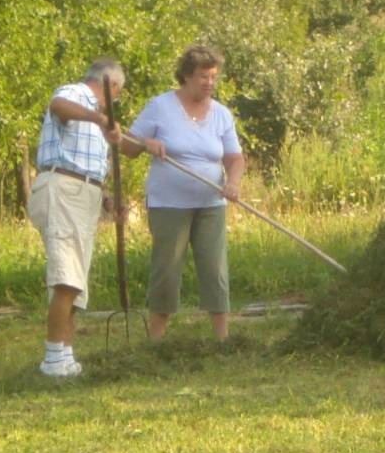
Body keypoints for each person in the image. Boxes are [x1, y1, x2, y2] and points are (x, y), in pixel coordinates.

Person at [121, 45, 245, 342]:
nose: (210, 83)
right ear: (186, 76)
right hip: (169, 204)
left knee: (214, 268)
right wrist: (146, 143)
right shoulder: (160, 106)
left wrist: (234, 182)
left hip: (210, 203)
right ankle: (157, 342)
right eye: (203, 76)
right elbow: (126, 146)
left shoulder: (221, 114)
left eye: (214, 77)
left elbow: (234, 157)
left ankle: (222, 341)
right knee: (167, 269)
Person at [28, 58, 124, 376]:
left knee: (75, 281)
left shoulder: (99, 126)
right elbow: (58, 105)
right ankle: (53, 358)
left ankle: (66, 356)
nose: (117, 100)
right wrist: (99, 117)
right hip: (63, 188)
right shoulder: (76, 94)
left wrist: (108, 200)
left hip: (84, 194)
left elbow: (90, 168)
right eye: (119, 93)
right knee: (66, 276)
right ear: (111, 85)